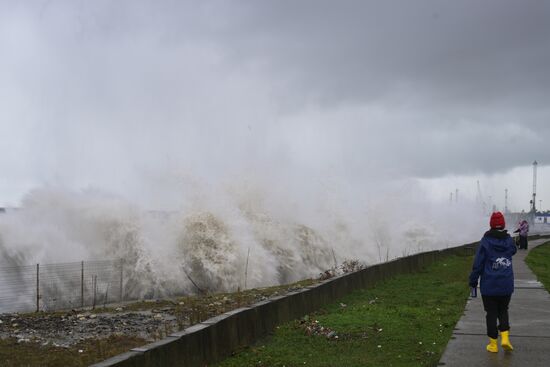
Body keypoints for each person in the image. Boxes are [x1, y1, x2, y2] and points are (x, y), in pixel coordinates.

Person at [469, 211, 517, 353]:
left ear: (491, 224)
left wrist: (473, 281)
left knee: (491, 313)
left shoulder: (485, 241)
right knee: (503, 310)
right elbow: (513, 251)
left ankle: (493, 345)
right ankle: (505, 338)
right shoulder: (509, 240)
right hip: (506, 285)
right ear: (503, 224)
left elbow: (478, 263)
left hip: (489, 286)